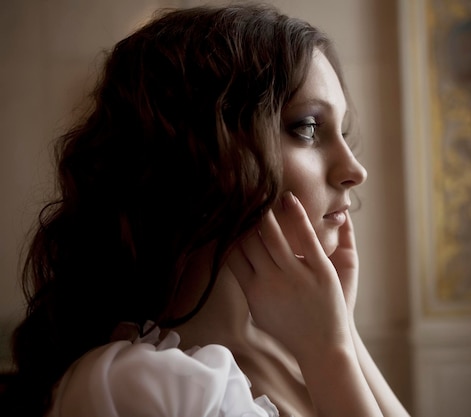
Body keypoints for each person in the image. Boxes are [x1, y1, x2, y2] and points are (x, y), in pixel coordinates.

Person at [3, 4, 410, 417]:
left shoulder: (291, 346)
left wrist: (344, 334)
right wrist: (330, 351)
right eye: (307, 127)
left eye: (342, 133)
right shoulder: (143, 386)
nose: (355, 170)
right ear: (206, 152)